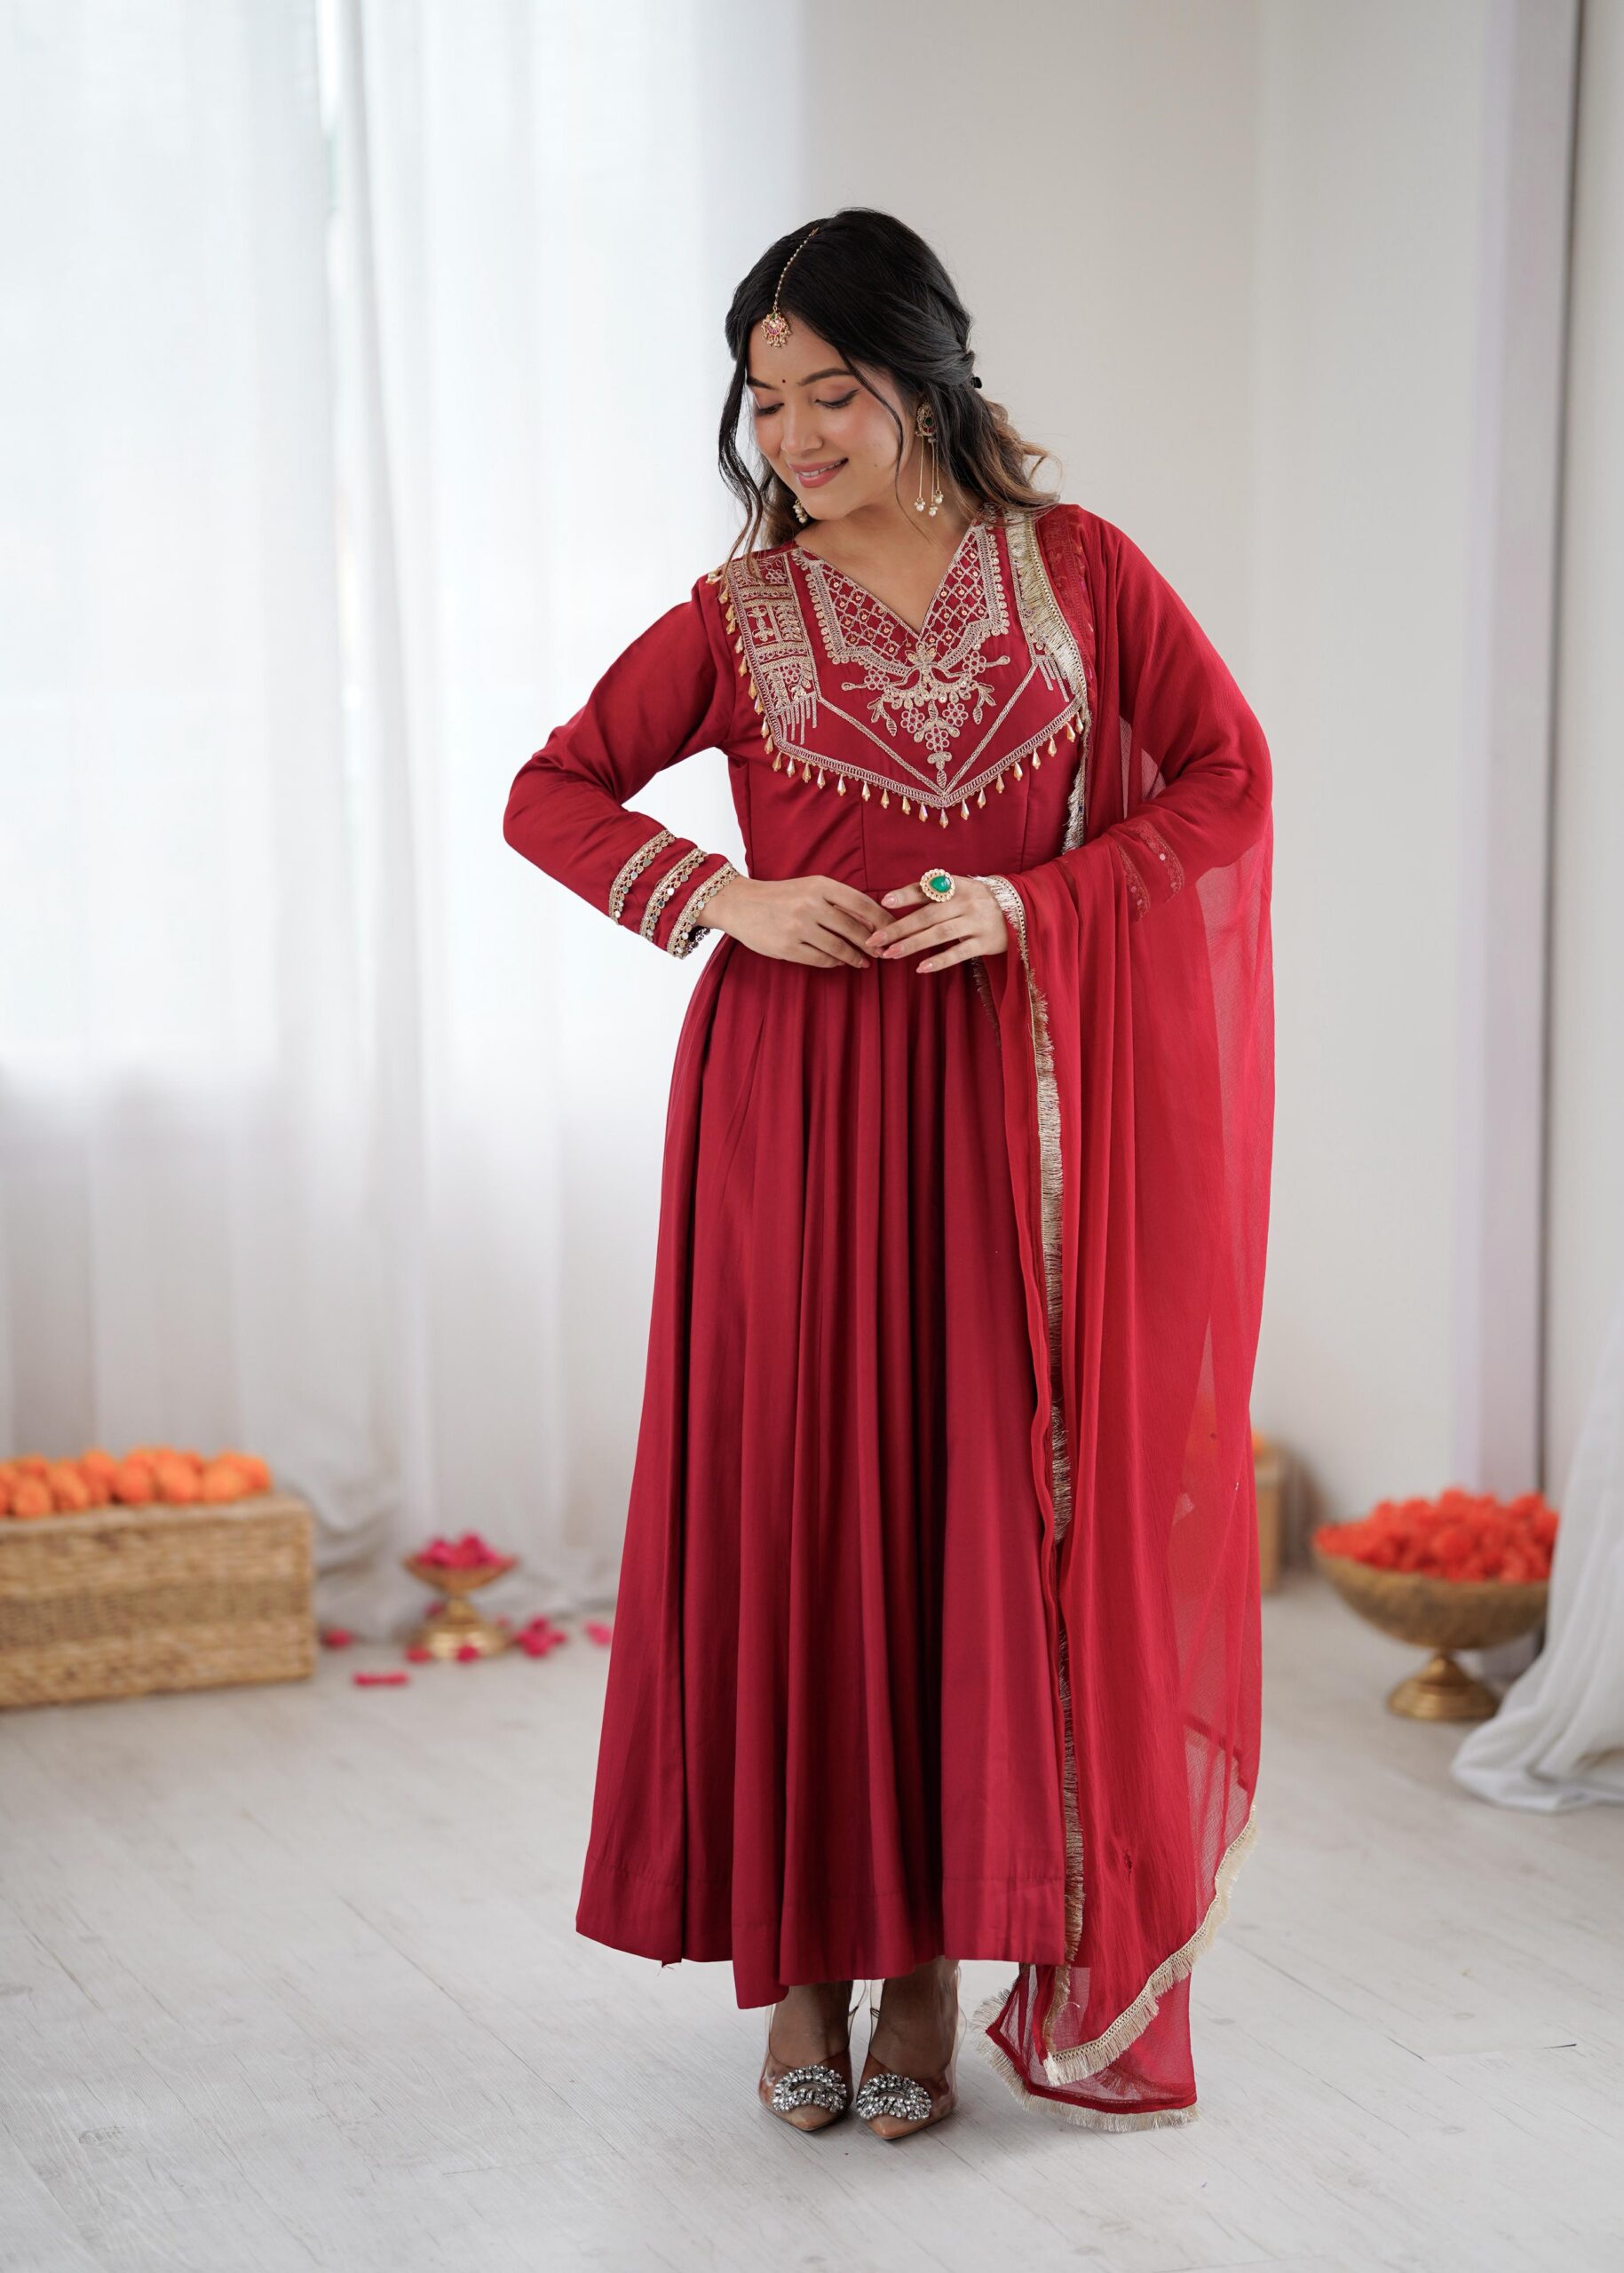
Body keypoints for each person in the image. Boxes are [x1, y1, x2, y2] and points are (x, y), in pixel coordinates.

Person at [503, 209, 1274, 2140]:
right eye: (764, 402)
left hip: (1008, 1120)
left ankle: (928, 1962)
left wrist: (1034, 902)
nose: (794, 436)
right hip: (789, 1115)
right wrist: (726, 896)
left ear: (921, 378)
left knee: (967, 1519)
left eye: (828, 391)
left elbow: (1224, 776)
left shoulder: (1079, 572)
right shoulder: (737, 612)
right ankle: (801, 1966)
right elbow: (551, 791)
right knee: (801, 1508)